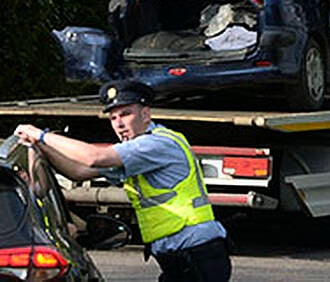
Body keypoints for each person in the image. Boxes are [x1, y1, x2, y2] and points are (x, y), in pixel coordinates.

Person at [14, 79, 231, 282]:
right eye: (113, 118)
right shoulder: (137, 153)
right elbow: (78, 172)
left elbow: (93, 157)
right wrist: (41, 146)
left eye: (126, 114)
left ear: (146, 115)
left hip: (198, 255)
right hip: (180, 258)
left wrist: (40, 135)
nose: (119, 124)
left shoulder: (156, 144)